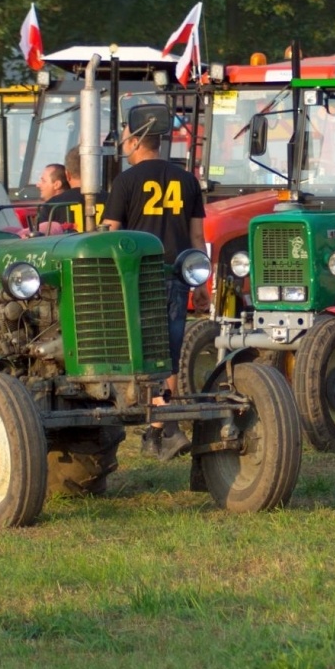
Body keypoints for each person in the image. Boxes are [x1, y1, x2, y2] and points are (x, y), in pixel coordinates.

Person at [102, 103, 208, 460]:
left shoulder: (125, 181)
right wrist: (204, 286)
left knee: (142, 353)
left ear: (133, 140)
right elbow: (197, 238)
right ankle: (161, 428)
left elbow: (111, 234)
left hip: (137, 280)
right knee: (169, 355)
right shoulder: (188, 180)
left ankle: (163, 425)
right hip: (177, 275)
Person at [30, 162, 83, 235]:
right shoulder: (99, 198)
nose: (38, 184)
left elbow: (40, 238)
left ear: (57, 184)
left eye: (43, 181)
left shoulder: (49, 207)